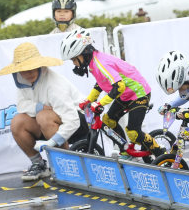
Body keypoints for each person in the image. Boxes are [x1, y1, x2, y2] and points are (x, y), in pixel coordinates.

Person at [60, 27, 165, 158]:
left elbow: (119, 86)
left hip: (139, 93)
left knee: (133, 132)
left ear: (83, 53)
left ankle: (161, 153)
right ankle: (125, 149)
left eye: (74, 59)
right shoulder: (93, 63)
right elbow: (100, 84)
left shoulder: (100, 63)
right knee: (108, 121)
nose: (74, 63)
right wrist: (88, 101)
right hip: (126, 95)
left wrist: (100, 103)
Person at [0, 42, 86, 182]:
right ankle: (39, 164)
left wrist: (52, 142)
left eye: (32, 68)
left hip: (80, 123)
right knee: (17, 122)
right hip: (50, 123)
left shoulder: (54, 84)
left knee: (44, 117)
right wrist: (40, 107)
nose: (28, 73)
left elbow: (73, 120)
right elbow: (22, 105)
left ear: (39, 66)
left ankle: (67, 165)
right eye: (24, 69)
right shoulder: (22, 80)